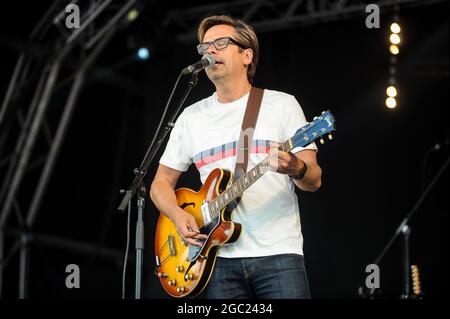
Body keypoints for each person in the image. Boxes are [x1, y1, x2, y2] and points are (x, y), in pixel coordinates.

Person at [150, 15, 322, 299]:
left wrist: (295, 166)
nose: (210, 52)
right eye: (204, 47)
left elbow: (313, 180)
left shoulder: (282, 104)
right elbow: (159, 185)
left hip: (278, 255)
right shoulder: (191, 117)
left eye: (219, 43)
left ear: (246, 55)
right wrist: (178, 216)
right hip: (216, 260)